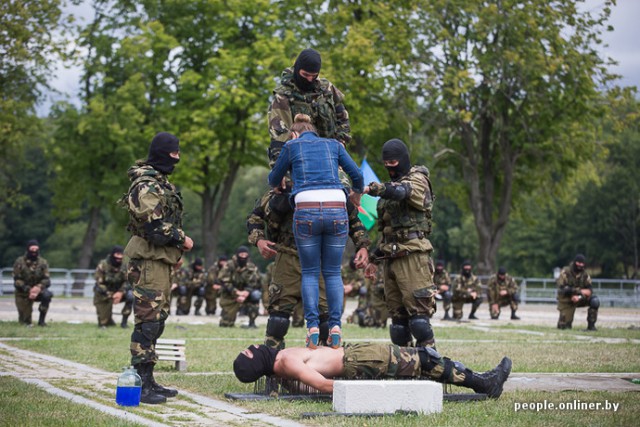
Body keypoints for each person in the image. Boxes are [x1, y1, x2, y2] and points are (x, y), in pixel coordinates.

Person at [268, 114, 364, 349]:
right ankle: (335, 326)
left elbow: (273, 178)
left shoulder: (291, 145)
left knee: (310, 272)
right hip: (336, 208)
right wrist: (356, 194)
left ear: (294, 134)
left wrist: (281, 181)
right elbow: (357, 176)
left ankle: (312, 326)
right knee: (332, 273)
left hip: (306, 208)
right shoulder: (333, 144)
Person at [247, 184, 369, 349]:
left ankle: (324, 366)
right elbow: (254, 219)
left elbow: (353, 219)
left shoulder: (332, 187)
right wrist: (259, 240)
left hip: (320, 259)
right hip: (287, 256)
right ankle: (273, 364)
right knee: (278, 319)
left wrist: (362, 245)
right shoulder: (275, 193)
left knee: (326, 320)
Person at [121, 131, 194, 404]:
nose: (177, 158)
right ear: (164, 154)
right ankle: (141, 384)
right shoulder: (146, 185)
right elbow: (153, 227)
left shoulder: (159, 182)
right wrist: (181, 240)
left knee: (157, 320)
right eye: (174, 153)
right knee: (148, 322)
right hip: (148, 262)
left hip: (159, 260)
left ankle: (148, 380)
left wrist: (173, 252)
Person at [233, 343, 512, 399]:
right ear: (255, 364)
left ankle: (481, 381)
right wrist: (365, 394)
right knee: (425, 360)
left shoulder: (280, 360)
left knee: (421, 363)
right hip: (359, 360)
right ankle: (484, 384)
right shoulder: (285, 364)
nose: (253, 346)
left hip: (356, 353)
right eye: (249, 353)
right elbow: (321, 384)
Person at [364, 138, 437, 348]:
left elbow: (402, 192)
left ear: (402, 160)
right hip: (390, 258)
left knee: (419, 323)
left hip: (413, 256)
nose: (390, 169)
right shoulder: (389, 191)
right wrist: (373, 258)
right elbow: (386, 231)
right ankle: (406, 369)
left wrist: (373, 189)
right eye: (386, 165)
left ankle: (431, 366)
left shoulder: (417, 179)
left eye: (393, 164)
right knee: (398, 326)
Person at [267, 48, 351, 164]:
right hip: (299, 161)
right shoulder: (283, 97)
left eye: (313, 75)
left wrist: (341, 141)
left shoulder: (327, 90)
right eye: (305, 74)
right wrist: (281, 171)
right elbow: (279, 137)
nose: (309, 79)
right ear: (297, 69)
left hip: (330, 157)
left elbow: (342, 117)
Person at [218, 246, 262, 328]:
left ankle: (252, 322)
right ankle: (227, 319)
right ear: (237, 255)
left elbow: (254, 282)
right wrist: (236, 293)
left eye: (245, 255)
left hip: (246, 293)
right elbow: (224, 280)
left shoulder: (251, 267)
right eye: (241, 254)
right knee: (226, 324)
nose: (243, 257)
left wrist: (246, 293)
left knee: (256, 295)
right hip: (230, 294)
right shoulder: (229, 265)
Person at [13, 239, 52, 327]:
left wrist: (38, 288)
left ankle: (41, 321)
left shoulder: (43, 262)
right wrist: (28, 289)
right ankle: (26, 318)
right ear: (28, 249)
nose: (34, 252)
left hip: (37, 290)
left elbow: (47, 279)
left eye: (36, 249)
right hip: (23, 292)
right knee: (25, 322)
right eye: (32, 249)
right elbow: (17, 280)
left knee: (47, 295)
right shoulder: (19, 262)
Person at [93, 245, 133, 328]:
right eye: (117, 255)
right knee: (103, 323)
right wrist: (110, 294)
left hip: (119, 292)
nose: (119, 258)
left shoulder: (124, 265)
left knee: (130, 296)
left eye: (121, 255)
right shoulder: (103, 265)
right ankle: (106, 319)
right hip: (104, 293)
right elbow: (99, 283)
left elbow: (128, 281)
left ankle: (124, 322)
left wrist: (120, 292)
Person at [556, 254, 599, 331]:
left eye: (582, 263)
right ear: (575, 262)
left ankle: (591, 327)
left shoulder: (585, 275)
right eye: (578, 263)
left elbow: (590, 290)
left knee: (595, 301)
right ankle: (565, 322)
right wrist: (579, 291)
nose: (580, 265)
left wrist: (579, 297)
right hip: (567, 300)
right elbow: (562, 289)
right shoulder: (565, 272)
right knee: (564, 327)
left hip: (579, 298)